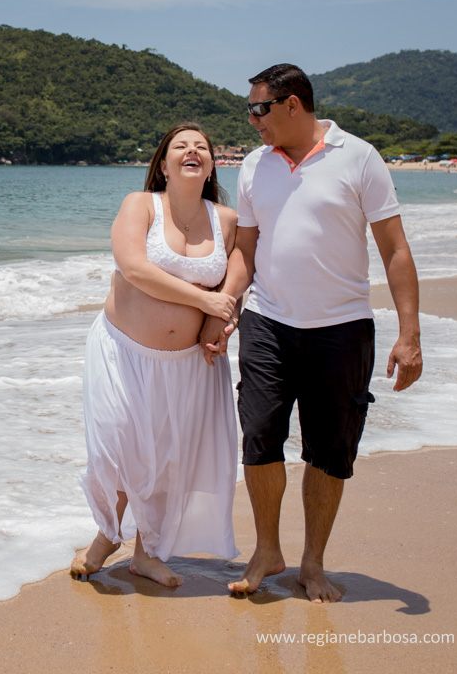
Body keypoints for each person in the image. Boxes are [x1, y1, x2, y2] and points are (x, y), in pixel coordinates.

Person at [200, 64, 423, 603]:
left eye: (259, 109)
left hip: (342, 329)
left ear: (292, 104)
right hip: (268, 323)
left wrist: (409, 334)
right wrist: (225, 307)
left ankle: (313, 563)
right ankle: (266, 551)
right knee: (259, 436)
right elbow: (246, 251)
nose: (252, 120)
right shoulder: (254, 165)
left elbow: (394, 248)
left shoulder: (359, 157)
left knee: (329, 450)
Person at [71, 122, 240, 587]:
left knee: (168, 457)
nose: (192, 151)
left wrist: (224, 320)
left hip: (189, 363)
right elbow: (134, 268)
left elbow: (235, 282)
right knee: (119, 446)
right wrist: (206, 302)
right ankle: (108, 535)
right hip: (122, 352)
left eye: (201, 147)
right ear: (163, 165)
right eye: (180, 146)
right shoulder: (140, 204)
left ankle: (147, 553)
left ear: (211, 166)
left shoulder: (226, 220)